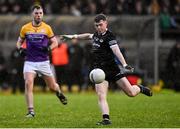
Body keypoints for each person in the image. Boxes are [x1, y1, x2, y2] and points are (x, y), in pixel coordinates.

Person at [61, 14, 152, 125]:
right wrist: (73, 36)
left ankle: (140, 88)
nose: (98, 27)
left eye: (100, 25)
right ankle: (106, 119)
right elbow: (88, 36)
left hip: (112, 69)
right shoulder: (96, 34)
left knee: (131, 93)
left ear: (106, 23)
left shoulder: (109, 36)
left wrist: (124, 64)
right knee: (101, 95)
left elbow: (116, 50)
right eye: (96, 25)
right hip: (99, 70)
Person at [16, 4, 67, 118]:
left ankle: (58, 92)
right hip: (30, 61)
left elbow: (55, 42)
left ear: (42, 14)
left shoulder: (47, 28)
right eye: (36, 13)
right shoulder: (25, 28)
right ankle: (31, 111)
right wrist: (20, 50)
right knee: (28, 83)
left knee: (52, 86)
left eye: (40, 13)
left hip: (43, 62)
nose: (38, 15)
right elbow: (18, 42)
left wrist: (49, 48)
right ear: (32, 14)